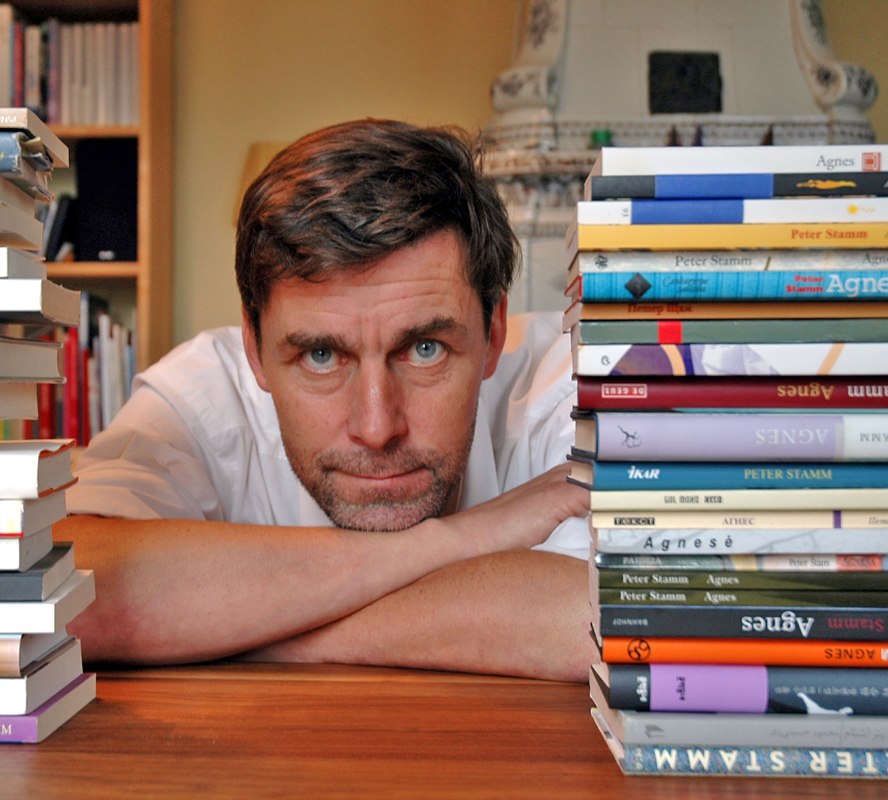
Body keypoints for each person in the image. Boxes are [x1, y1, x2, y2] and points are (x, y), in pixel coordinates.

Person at [58, 119, 592, 680]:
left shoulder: (576, 376)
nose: (376, 427)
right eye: (320, 355)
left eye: (425, 349)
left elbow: (611, 617)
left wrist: (227, 624)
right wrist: (459, 539)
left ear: (494, 331)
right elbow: (64, 591)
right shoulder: (203, 396)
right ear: (254, 348)